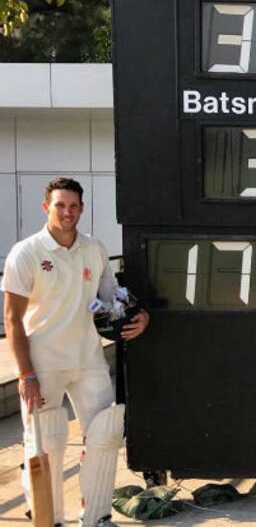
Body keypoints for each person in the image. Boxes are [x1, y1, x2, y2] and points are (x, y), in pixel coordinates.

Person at [2, 178, 149, 527]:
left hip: (87, 358)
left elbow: (114, 296)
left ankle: (97, 517)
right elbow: (12, 318)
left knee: (106, 433)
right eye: (60, 205)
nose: (67, 212)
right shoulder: (27, 252)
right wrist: (26, 374)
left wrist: (140, 314)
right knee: (46, 440)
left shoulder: (93, 249)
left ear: (81, 209)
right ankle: (48, 519)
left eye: (73, 206)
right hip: (43, 361)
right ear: (46, 208)